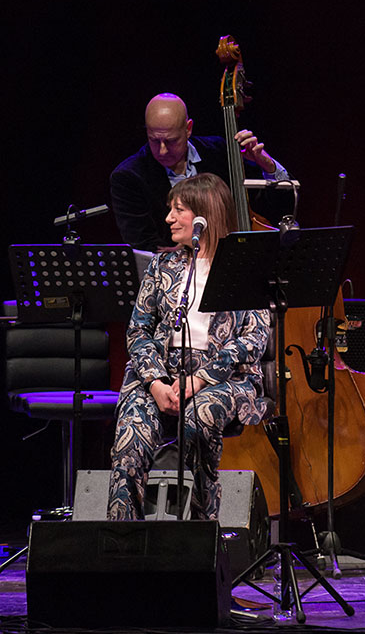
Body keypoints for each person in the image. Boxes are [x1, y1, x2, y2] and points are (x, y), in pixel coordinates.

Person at [107, 173, 271, 520]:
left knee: (196, 421)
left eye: (177, 210)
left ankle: (201, 532)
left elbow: (254, 339)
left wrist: (199, 379)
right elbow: (138, 330)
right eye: (170, 209)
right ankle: (124, 543)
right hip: (160, 373)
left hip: (225, 377)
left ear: (203, 215)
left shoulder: (244, 266)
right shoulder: (161, 265)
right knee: (131, 438)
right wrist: (154, 382)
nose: (167, 218)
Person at [110, 93, 293, 251]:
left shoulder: (219, 152)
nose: (162, 150)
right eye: (154, 140)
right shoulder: (128, 177)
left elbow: (283, 207)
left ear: (188, 129)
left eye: (171, 141)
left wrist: (267, 165)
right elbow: (144, 245)